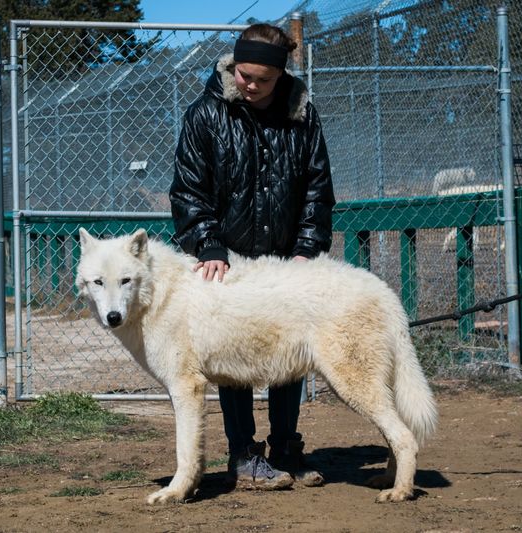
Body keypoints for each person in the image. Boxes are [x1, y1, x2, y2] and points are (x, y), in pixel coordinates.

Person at [169, 23, 335, 490]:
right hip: (229, 261)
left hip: (286, 261)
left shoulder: (303, 115)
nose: (250, 85)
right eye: (244, 75)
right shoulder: (205, 114)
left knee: (291, 354)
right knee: (234, 358)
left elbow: (317, 190)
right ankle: (243, 456)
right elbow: (187, 191)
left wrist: (306, 249)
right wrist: (208, 245)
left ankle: (286, 447)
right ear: (234, 66)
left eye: (261, 79)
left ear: (280, 75)